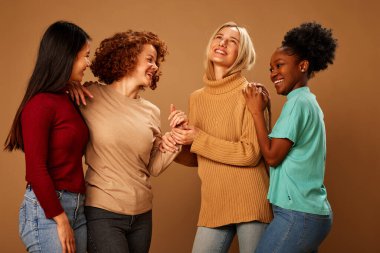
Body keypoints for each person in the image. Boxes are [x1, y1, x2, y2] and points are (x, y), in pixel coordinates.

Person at [161, 22, 272, 253]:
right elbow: (199, 157)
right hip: (214, 203)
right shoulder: (196, 98)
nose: (222, 43)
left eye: (233, 41)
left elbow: (251, 153)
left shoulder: (251, 93)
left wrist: (198, 137)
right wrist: (180, 141)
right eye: (219, 37)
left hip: (250, 199)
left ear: (241, 54)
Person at [74, 30, 179, 253]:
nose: (155, 67)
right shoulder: (90, 95)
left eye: (156, 62)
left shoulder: (151, 111)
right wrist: (69, 86)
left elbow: (153, 167)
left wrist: (175, 139)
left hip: (142, 216)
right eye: (149, 60)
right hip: (103, 211)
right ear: (127, 58)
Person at [243, 22, 337, 253]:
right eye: (271, 68)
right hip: (306, 213)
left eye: (279, 65)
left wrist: (255, 111)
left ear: (303, 66)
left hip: (299, 215)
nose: (273, 72)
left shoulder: (297, 104)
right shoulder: (305, 101)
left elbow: (272, 157)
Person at [4, 21, 91, 253]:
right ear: (66, 57)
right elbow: (35, 169)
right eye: (85, 56)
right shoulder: (40, 104)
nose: (88, 63)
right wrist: (59, 218)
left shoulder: (68, 100)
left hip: (78, 208)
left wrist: (70, 87)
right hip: (48, 210)